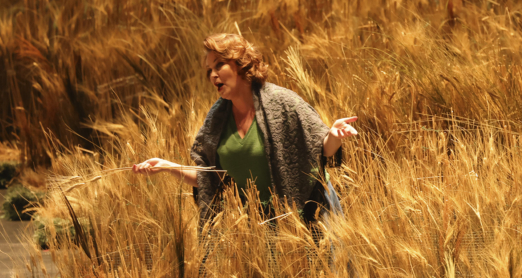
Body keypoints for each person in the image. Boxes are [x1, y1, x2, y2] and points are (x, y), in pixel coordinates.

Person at [133, 33, 358, 235]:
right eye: (209, 70)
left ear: (241, 65)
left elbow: (322, 152)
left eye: (219, 65)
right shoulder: (217, 119)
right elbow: (209, 178)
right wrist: (166, 166)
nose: (212, 75)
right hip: (262, 228)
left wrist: (335, 136)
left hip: (311, 213)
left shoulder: (283, 103)